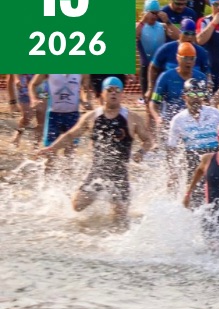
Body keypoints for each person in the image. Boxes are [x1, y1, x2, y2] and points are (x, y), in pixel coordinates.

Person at [38, 77, 153, 227]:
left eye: (117, 90)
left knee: (120, 220)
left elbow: (148, 140)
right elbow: (71, 135)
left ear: (122, 94)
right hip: (98, 172)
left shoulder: (132, 118)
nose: (113, 93)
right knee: (77, 206)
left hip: (120, 175)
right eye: (109, 90)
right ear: (102, 94)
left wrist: (141, 153)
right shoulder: (92, 116)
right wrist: (52, 148)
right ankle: (99, 196)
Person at [167, 78, 219, 207]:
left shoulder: (215, 114)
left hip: (216, 160)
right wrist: (172, 172)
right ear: (184, 97)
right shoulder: (178, 120)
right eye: (192, 94)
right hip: (194, 162)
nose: (196, 98)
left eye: (200, 94)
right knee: (196, 203)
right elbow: (172, 148)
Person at [147, 19, 210, 99]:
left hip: (192, 96)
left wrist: (208, 90)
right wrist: (151, 88)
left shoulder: (201, 52)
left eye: (193, 34)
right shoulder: (166, 49)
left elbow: (207, 75)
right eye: (186, 33)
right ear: (180, 33)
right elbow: (153, 67)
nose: (190, 37)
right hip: (169, 95)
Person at [150, 43, 207, 128]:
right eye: (185, 58)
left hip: (193, 124)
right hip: (170, 123)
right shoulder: (166, 77)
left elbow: (206, 102)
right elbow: (154, 103)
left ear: (195, 60)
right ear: (178, 58)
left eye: (192, 59)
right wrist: (158, 118)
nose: (188, 62)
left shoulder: (201, 77)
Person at [30, 74, 90, 153]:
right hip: (53, 115)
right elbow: (33, 84)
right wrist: (34, 99)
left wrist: (85, 101)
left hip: (73, 115)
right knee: (50, 151)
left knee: (71, 150)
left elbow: (85, 88)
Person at [136, 0, 175, 95]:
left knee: (161, 96)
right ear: (145, 13)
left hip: (160, 66)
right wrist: (143, 21)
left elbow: (179, 37)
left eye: (156, 13)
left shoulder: (163, 26)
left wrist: (168, 21)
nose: (154, 16)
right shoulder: (139, 26)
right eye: (151, 13)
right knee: (147, 96)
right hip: (146, 67)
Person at [11, 74, 42, 147]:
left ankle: (36, 146)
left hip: (42, 88)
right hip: (25, 87)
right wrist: (17, 79)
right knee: (27, 118)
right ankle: (18, 135)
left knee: (42, 120)